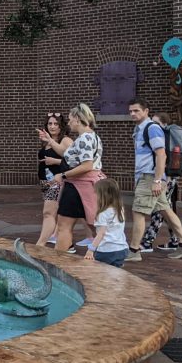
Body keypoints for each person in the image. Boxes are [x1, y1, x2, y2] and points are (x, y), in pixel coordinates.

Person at [125, 99, 182, 261]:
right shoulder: (140, 129)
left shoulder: (152, 128)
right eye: (130, 111)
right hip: (148, 177)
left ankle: (134, 251)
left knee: (138, 212)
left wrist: (158, 180)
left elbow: (161, 154)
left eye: (136, 111)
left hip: (149, 177)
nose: (132, 114)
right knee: (166, 211)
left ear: (146, 111)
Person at [42, 103, 105, 255]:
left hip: (78, 187)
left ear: (77, 119)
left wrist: (62, 175)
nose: (68, 123)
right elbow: (67, 154)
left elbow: (87, 165)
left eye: (70, 120)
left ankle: (59, 261)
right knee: (94, 223)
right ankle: (107, 254)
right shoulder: (92, 137)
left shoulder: (84, 139)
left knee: (64, 226)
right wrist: (50, 141)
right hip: (86, 185)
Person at [140, 112, 182, 252]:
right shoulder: (163, 137)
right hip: (167, 177)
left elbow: (165, 158)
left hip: (167, 178)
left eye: (157, 123)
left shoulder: (165, 138)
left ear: (165, 124)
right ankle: (177, 241)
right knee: (166, 209)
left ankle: (147, 242)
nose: (153, 125)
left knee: (160, 210)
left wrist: (164, 179)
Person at [35, 113, 71, 248]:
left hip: (58, 182)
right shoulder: (47, 141)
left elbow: (73, 161)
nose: (52, 126)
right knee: (56, 214)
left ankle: (40, 245)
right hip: (46, 183)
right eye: (50, 124)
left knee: (48, 213)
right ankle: (68, 244)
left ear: (61, 126)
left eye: (56, 124)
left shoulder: (65, 140)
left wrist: (54, 161)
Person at [84, 179, 130, 267]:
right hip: (121, 249)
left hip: (106, 250)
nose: (95, 196)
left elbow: (101, 233)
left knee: (102, 275)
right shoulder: (120, 209)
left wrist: (91, 250)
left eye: (96, 193)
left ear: (103, 196)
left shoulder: (103, 213)